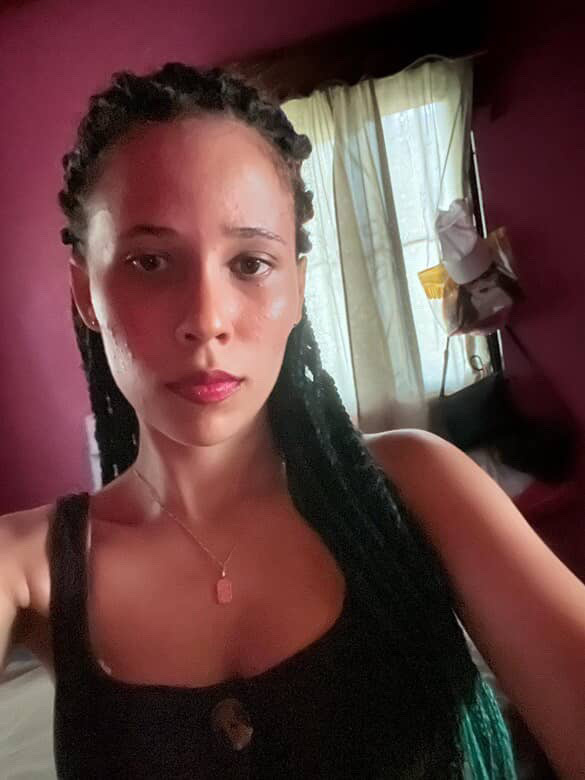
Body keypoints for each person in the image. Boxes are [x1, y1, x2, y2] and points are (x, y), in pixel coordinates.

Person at [0, 62, 583, 779]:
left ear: (299, 288)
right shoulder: (24, 569)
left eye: (250, 263)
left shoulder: (414, 484)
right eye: (150, 261)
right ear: (86, 293)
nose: (207, 319)